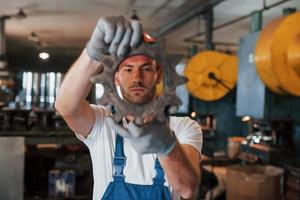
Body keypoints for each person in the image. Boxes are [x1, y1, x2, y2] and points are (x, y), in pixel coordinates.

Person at [55, 16, 202, 200]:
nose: (136, 78)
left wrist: (166, 145)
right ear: (115, 77)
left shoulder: (184, 127)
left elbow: (188, 189)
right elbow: (65, 107)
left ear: (159, 75)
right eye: (128, 69)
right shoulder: (103, 122)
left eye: (146, 69)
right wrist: (92, 54)